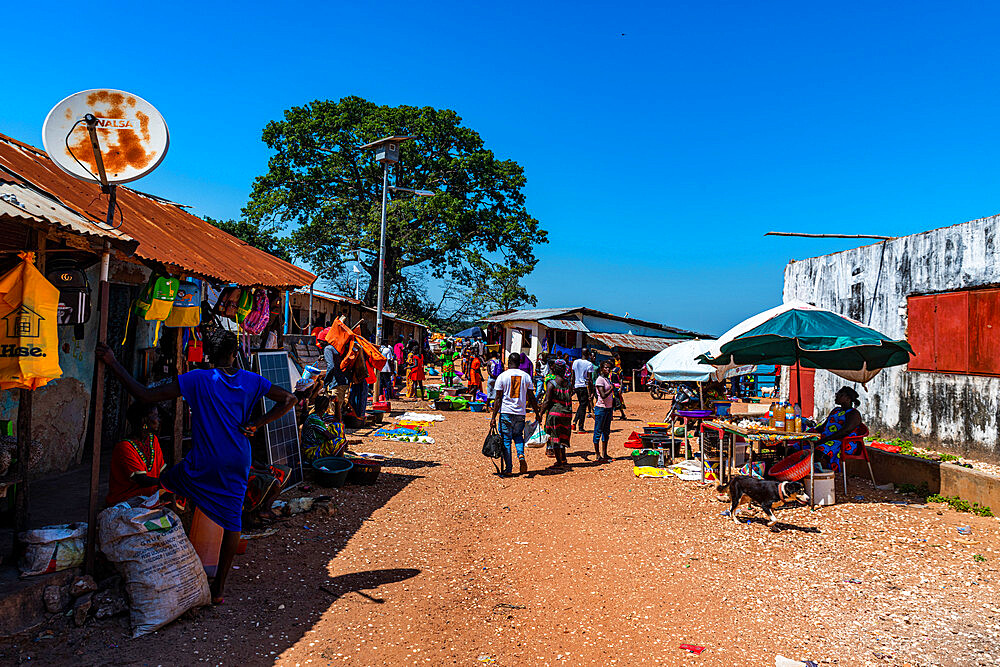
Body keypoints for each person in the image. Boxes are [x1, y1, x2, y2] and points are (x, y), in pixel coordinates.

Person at [96, 332, 296, 604]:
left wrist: (112, 362)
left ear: (209, 356)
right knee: (232, 520)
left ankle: (153, 538)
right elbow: (289, 400)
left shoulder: (199, 379)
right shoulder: (252, 380)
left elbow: (144, 394)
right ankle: (219, 590)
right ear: (235, 353)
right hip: (239, 458)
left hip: (203, 462)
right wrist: (256, 424)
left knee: (166, 482)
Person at [106, 402, 167, 506]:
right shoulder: (124, 447)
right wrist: (168, 482)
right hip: (127, 501)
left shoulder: (153, 440)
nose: (158, 420)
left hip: (148, 499)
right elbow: (141, 479)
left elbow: (162, 470)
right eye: (155, 416)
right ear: (144, 421)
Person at [490, 353, 541, 476]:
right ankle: (521, 455)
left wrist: (493, 417)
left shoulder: (502, 376)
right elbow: (532, 397)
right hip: (520, 413)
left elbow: (498, 399)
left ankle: (509, 469)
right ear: (519, 363)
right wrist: (537, 413)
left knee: (506, 440)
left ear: (508, 362)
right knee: (518, 436)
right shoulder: (526, 377)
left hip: (506, 412)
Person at [790, 386, 864, 472]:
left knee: (819, 451)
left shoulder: (854, 413)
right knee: (797, 446)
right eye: (837, 394)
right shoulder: (836, 410)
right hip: (827, 438)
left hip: (843, 442)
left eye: (840, 395)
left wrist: (825, 439)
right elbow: (823, 427)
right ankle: (798, 472)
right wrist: (809, 433)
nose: (836, 396)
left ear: (848, 398)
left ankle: (821, 474)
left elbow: (845, 431)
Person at [538, 358, 573, 468]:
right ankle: (563, 458)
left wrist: (540, 413)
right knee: (563, 435)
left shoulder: (551, 383)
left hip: (555, 413)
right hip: (566, 413)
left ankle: (559, 462)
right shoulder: (568, 384)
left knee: (555, 437)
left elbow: (547, 401)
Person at [300, 395, 347, 462]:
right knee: (338, 442)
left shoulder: (321, 415)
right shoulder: (314, 419)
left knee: (337, 425)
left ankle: (338, 453)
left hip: (319, 444)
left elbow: (337, 419)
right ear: (325, 408)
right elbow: (330, 436)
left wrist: (337, 403)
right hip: (311, 451)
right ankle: (339, 461)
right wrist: (343, 442)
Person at [319, 333, 349, 422]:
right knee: (338, 409)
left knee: (334, 411)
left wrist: (325, 384)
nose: (319, 343)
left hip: (336, 383)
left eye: (320, 341)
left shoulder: (328, 349)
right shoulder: (339, 348)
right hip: (343, 381)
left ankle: (335, 432)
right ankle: (338, 430)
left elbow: (331, 366)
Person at [592, 361, 615, 461]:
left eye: (609, 368)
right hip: (601, 408)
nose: (607, 369)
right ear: (601, 368)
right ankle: (597, 455)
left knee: (606, 432)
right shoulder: (600, 380)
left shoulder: (607, 379)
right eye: (605, 368)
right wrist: (612, 389)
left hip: (608, 409)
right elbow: (603, 395)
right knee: (598, 431)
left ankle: (605, 453)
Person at [571, 351, 595, 432]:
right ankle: (580, 427)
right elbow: (589, 379)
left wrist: (572, 387)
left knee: (582, 404)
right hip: (584, 387)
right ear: (588, 354)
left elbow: (573, 376)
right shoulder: (589, 364)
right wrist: (592, 391)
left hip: (577, 386)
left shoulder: (575, 362)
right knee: (583, 407)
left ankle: (574, 422)